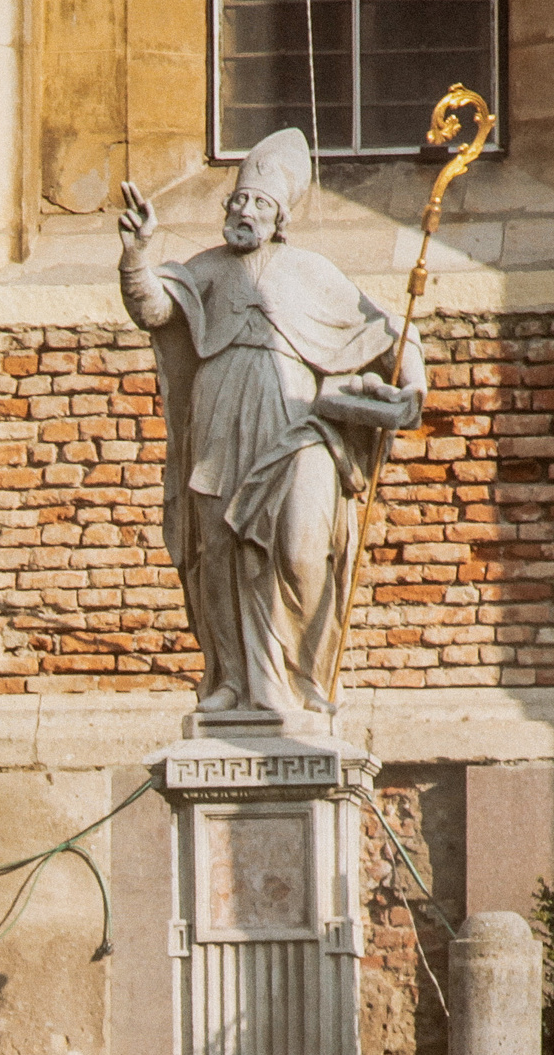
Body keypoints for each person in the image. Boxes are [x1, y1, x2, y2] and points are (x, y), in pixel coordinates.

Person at [118, 128, 425, 726]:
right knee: (219, 551)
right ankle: (232, 680)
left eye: (259, 204)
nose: (244, 212)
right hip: (217, 422)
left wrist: (413, 383)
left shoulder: (311, 272)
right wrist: (137, 252)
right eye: (237, 202)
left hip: (296, 424)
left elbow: (388, 329)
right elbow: (152, 309)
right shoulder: (206, 269)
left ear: (280, 216)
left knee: (300, 548)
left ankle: (300, 676)